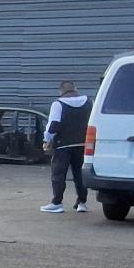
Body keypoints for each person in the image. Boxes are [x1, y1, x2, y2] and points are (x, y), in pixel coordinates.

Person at [40, 81, 91, 213]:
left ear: (61, 91)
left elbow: (53, 125)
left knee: (58, 174)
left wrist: (47, 139)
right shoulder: (88, 102)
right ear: (76, 88)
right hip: (82, 144)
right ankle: (82, 203)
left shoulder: (58, 104)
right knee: (79, 174)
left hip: (63, 145)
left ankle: (57, 203)